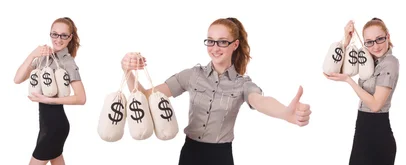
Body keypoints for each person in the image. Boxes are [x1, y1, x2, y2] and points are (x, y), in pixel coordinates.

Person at [120, 17, 312, 165]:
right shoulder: (191, 75)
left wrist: (286, 113)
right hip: (190, 153)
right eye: (210, 41)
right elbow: (145, 96)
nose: (215, 47)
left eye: (222, 42)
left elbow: (260, 101)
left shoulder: (242, 84)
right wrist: (127, 70)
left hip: (220, 156)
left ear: (235, 45)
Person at [324, 17, 399, 165]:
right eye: (369, 42)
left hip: (378, 135)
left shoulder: (390, 63)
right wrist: (347, 39)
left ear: (388, 37)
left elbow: (376, 105)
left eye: (379, 39)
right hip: (363, 131)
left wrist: (348, 81)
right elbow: (334, 70)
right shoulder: (370, 59)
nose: (375, 46)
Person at [13, 17, 86, 165]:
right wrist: (33, 54)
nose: (58, 39)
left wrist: (48, 99)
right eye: (54, 34)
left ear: (70, 37)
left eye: (63, 35)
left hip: (55, 126)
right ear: (50, 34)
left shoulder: (68, 62)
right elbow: (18, 79)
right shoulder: (44, 57)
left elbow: (81, 98)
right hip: (46, 125)